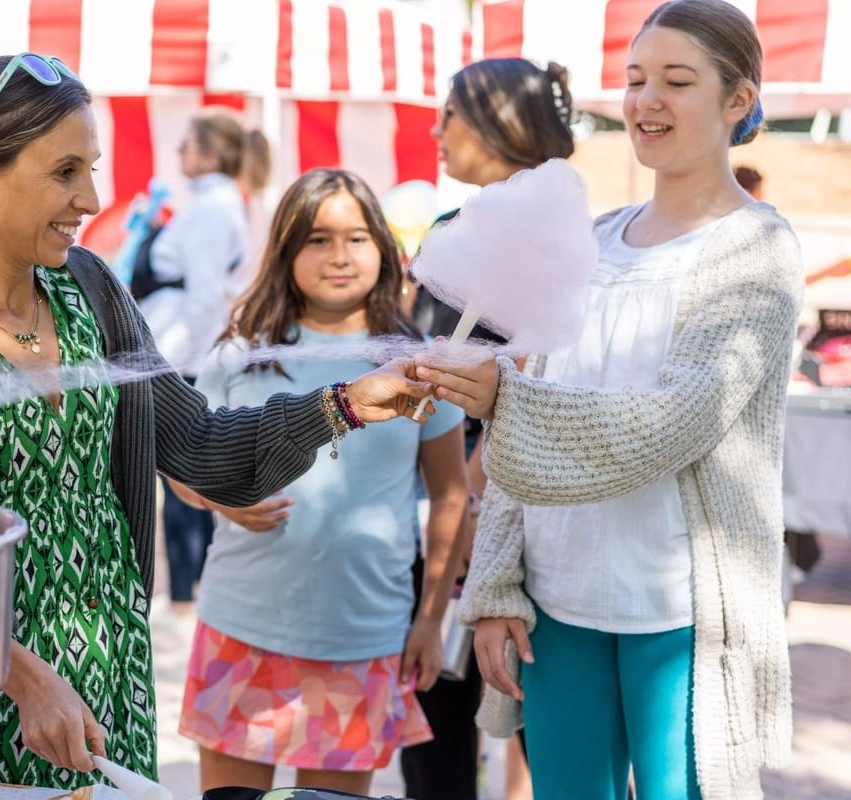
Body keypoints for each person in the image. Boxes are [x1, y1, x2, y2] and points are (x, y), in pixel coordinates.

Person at [0, 53, 437, 792]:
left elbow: (207, 452)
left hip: (110, 688)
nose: (90, 197)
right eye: (65, 172)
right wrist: (24, 680)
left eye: (91, 168)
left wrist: (340, 406)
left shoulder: (93, 290)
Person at [421, 2, 803, 797]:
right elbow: (526, 415)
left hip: (684, 615)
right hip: (557, 607)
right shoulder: (591, 241)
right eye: (634, 81)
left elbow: (679, 419)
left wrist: (506, 401)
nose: (645, 102)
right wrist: (494, 585)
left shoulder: (757, 250)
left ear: (739, 100)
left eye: (676, 81)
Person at [171, 168, 469, 795]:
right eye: (317, 239)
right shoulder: (241, 352)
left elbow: (450, 495)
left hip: (363, 635)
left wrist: (429, 620)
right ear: (285, 249)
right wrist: (216, 493)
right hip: (241, 623)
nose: (339, 256)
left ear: (383, 249)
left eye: (357, 238)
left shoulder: (418, 362)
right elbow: (182, 464)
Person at [403, 57, 575, 800]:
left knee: (546, 731)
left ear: (501, 121)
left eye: (452, 115)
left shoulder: (568, 235)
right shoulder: (453, 229)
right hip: (441, 512)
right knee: (435, 724)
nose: (437, 132)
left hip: (519, 523)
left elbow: (548, 379)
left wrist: (473, 495)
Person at [137, 109, 255, 609]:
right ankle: (188, 587)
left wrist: (175, 365)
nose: (180, 154)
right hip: (180, 350)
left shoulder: (212, 209)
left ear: (207, 154)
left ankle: (188, 591)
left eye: (186, 145)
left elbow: (206, 298)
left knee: (182, 475)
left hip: (181, 357)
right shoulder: (212, 204)